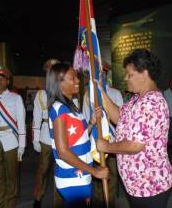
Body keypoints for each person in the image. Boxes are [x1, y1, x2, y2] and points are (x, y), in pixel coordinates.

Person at [95, 49, 172, 208]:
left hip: (150, 187)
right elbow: (119, 117)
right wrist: (101, 91)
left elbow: (134, 145)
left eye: (129, 74)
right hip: (137, 184)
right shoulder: (137, 99)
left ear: (144, 75)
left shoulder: (151, 103)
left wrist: (106, 147)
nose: (125, 78)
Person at [47, 62, 109, 207]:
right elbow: (63, 152)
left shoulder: (71, 106)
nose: (78, 81)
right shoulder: (59, 109)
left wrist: (91, 123)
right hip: (72, 176)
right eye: (72, 78)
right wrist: (94, 171)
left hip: (80, 174)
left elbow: (78, 138)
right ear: (59, 83)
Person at [0, 64, 26, 208]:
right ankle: (0, 204)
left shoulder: (16, 98)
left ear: (8, 81)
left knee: (12, 176)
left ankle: (11, 204)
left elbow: (21, 122)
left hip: (11, 141)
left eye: (2, 79)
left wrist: (22, 145)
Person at [82, 61, 123, 208]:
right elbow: (85, 120)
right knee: (96, 178)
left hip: (111, 142)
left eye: (101, 73)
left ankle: (109, 204)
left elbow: (121, 120)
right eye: (96, 74)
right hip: (94, 143)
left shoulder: (115, 93)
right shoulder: (87, 96)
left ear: (106, 74)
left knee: (111, 176)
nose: (99, 76)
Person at [32, 59, 66, 208]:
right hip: (46, 135)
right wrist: (35, 139)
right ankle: (38, 197)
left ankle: (59, 201)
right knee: (43, 169)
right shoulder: (41, 94)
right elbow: (36, 118)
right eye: (49, 70)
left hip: (62, 135)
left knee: (61, 168)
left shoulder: (65, 91)